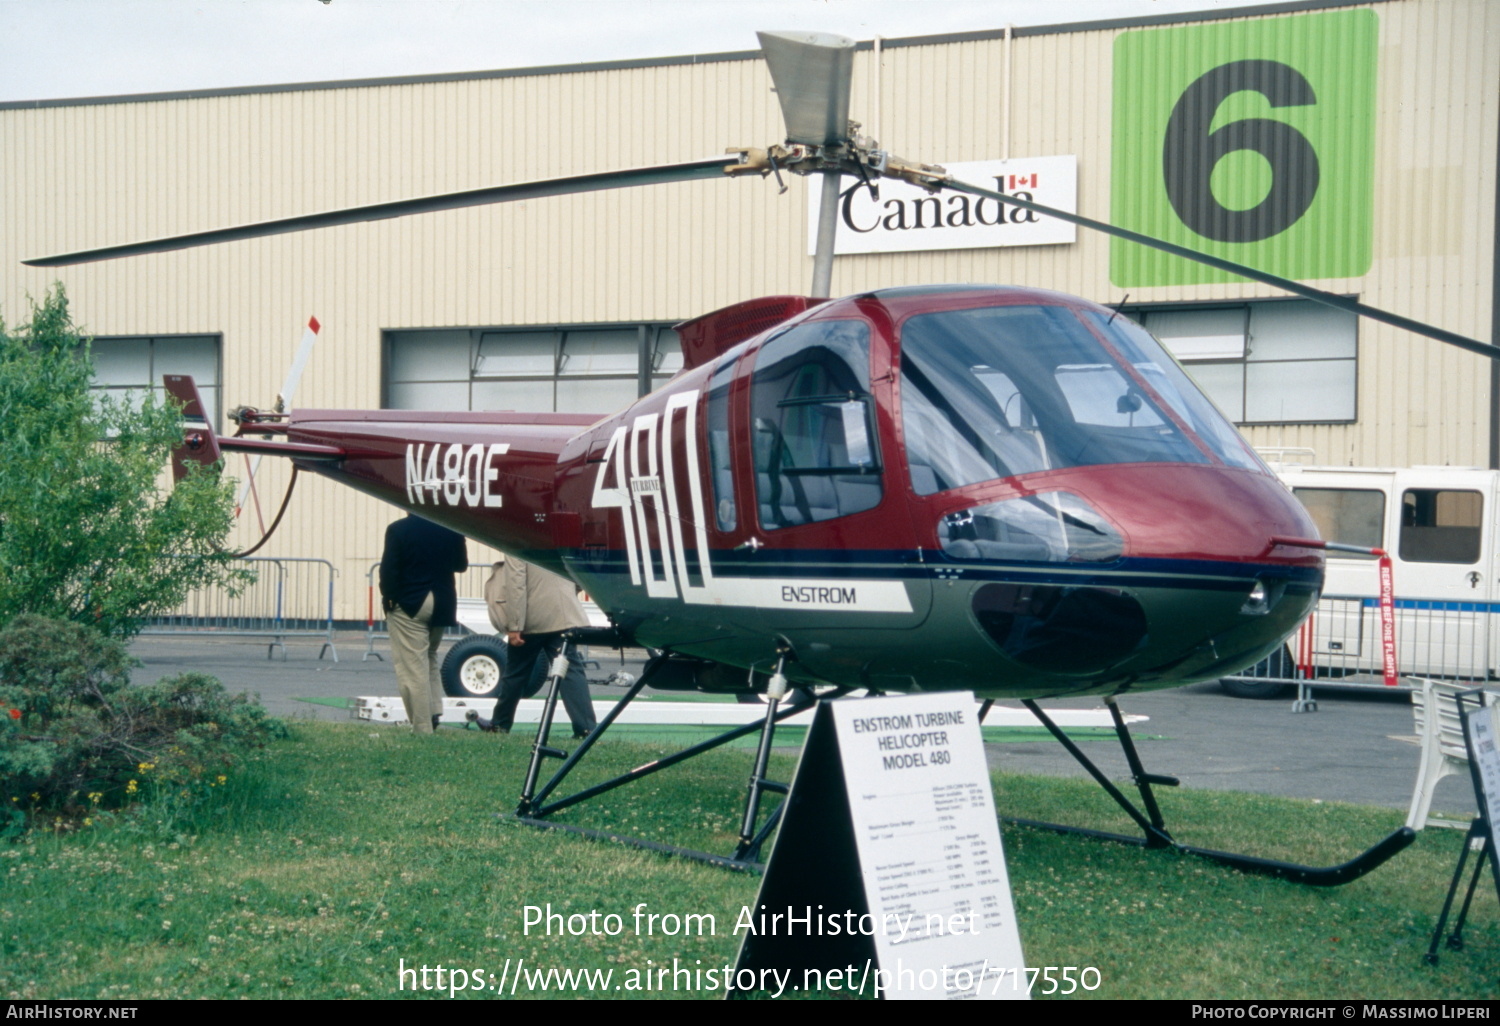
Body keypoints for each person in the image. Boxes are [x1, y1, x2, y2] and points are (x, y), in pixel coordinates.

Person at [480, 556, 598, 739]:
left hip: (531, 618)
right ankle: (586, 729)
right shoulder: (559, 534)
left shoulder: (516, 537)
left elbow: (516, 582)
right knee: (571, 672)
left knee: (515, 674)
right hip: (563, 614)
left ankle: (500, 724)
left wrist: (515, 624)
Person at [379, 513, 468, 735]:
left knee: (412, 666)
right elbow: (460, 565)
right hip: (442, 599)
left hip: (411, 601)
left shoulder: (398, 529)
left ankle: (422, 727)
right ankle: (434, 710)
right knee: (429, 656)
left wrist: (388, 599)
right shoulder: (451, 524)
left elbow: (389, 570)